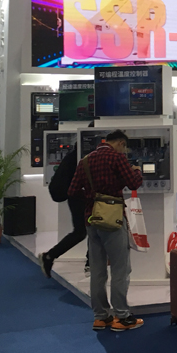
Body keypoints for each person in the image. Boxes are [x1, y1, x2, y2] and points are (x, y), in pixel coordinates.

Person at [67, 129, 144, 332]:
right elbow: (134, 183)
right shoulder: (117, 158)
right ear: (120, 143)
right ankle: (122, 316)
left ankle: (101, 317)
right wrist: (137, 170)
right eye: (124, 147)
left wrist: (92, 198)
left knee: (97, 270)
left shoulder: (85, 161)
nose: (124, 151)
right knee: (120, 268)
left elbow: (72, 191)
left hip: (91, 219)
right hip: (113, 219)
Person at [38, 148, 88, 278]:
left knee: (85, 230)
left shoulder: (75, 155)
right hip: (79, 197)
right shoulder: (81, 156)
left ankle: (50, 256)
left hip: (78, 197)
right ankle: (50, 256)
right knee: (82, 231)